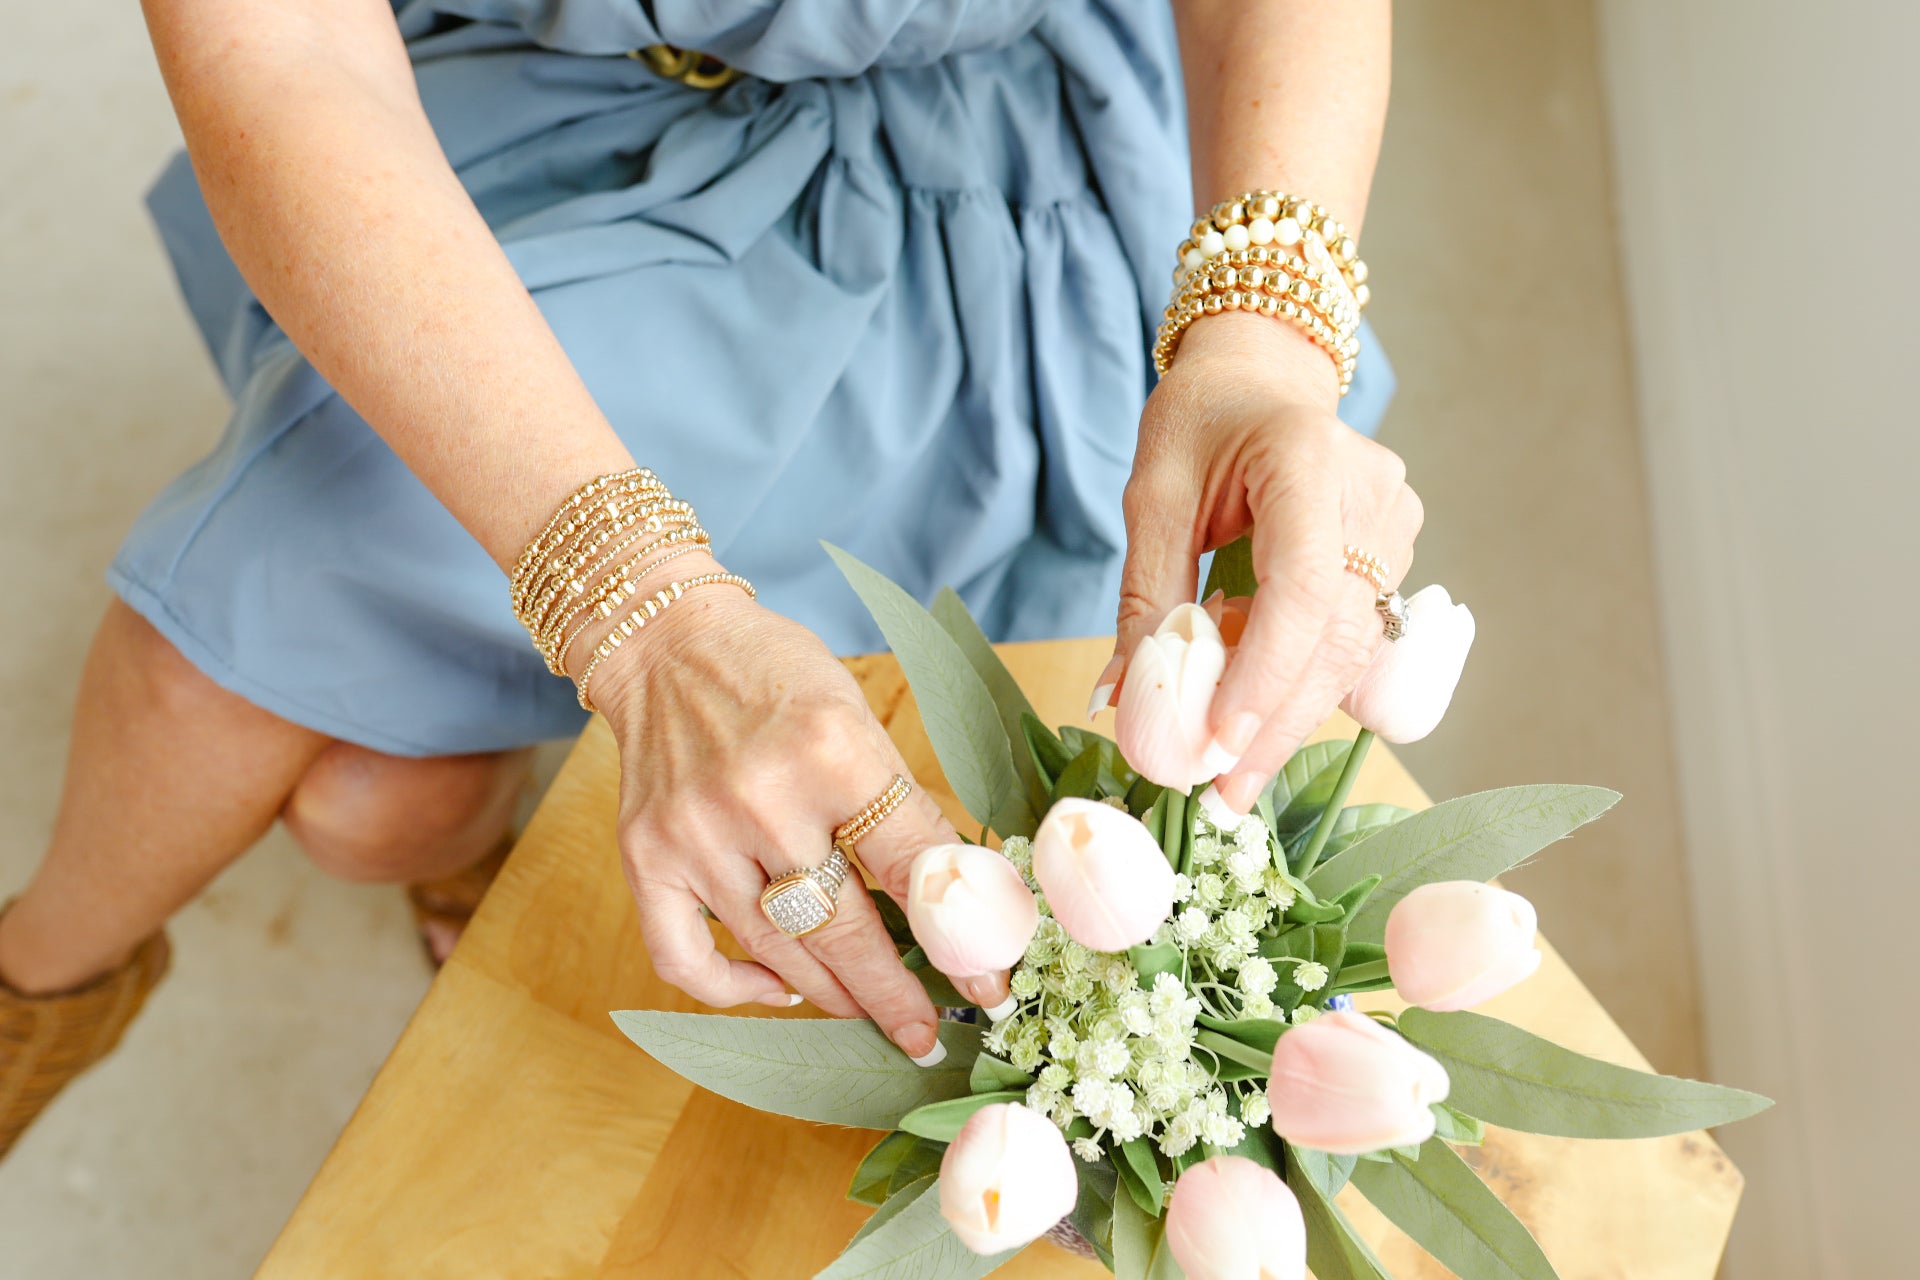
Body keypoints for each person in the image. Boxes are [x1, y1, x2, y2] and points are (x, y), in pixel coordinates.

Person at [0, 0, 1420, 1159]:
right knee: (248, 645)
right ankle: (37, 993)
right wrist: (644, 622)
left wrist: (1259, 346)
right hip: (598, 112)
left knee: (374, 803)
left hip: (1024, 149)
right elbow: (283, 44)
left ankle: (465, 811)